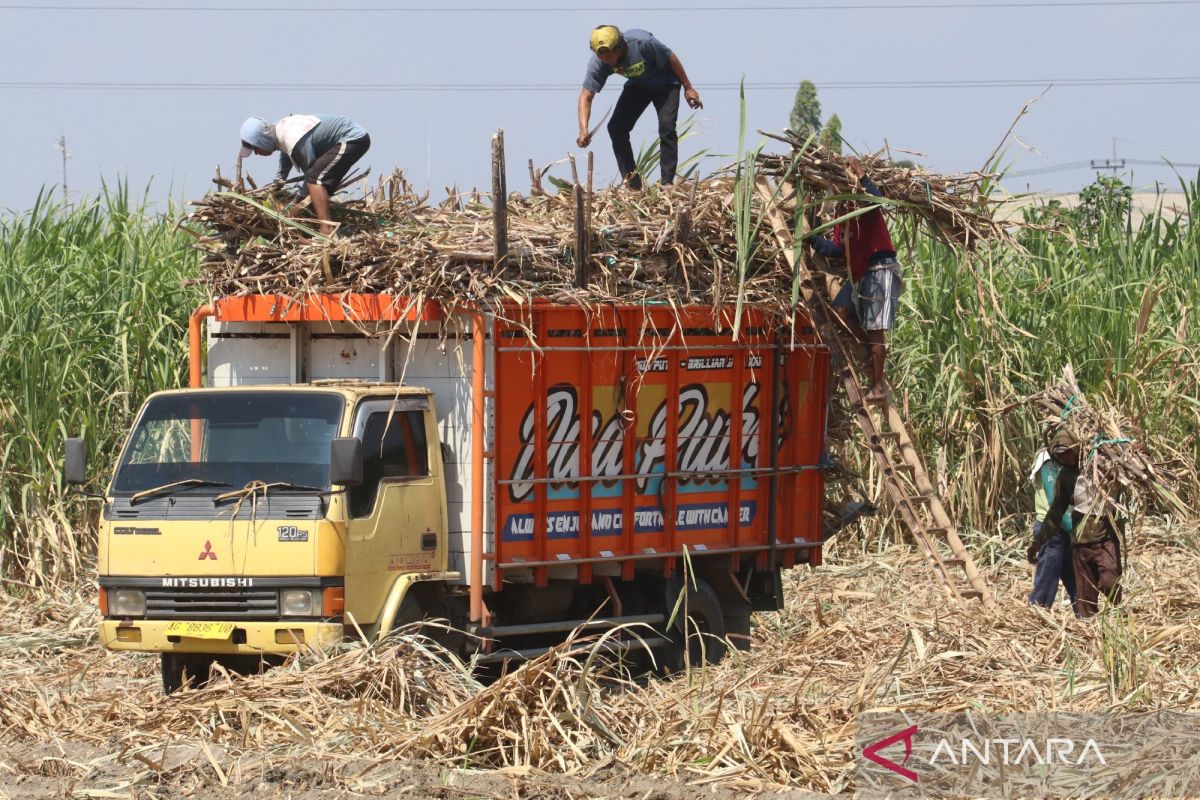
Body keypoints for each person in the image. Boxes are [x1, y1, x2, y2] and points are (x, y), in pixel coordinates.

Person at [807, 157, 903, 403]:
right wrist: (809, 236)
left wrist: (862, 175)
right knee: (839, 310)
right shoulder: (842, 217)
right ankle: (869, 352)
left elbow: (877, 201)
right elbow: (837, 249)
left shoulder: (864, 202)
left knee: (876, 330)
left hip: (880, 268)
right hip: (860, 273)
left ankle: (878, 387)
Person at [576, 25, 702, 189]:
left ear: (620, 46)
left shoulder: (643, 42)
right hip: (638, 85)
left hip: (666, 82)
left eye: (610, 56)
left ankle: (667, 183)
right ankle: (632, 184)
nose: (606, 60)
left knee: (667, 127)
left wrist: (688, 88)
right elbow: (586, 96)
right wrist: (583, 130)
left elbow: (670, 57)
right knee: (616, 128)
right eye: (601, 56)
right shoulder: (599, 62)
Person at [1027, 429, 1124, 619]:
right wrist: (1038, 543)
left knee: (1109, 581)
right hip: (1080, 544)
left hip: (1105, 540)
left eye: (1068, 453)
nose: (1065, 458)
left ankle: (1120, 616)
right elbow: (1056, 512)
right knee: (1085, 598)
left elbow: (1128, 465)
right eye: (1060, 456)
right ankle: (1091, 629)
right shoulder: (1065, 477)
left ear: (1077, 449)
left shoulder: (1102, 466)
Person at [238, 114, 371, 235]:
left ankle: (326, 230)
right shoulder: (277, 131)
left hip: (352, 138)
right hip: (346, 140)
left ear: (262, 140)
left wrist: (296, 202)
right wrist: (278, 181)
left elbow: (310, 175)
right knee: (315, 187)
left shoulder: (292, 138)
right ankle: (318, 227)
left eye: (255, 148)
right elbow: (286, 153)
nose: (256, 153)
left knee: (315, 181)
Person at [1027, 439, 1077, 608]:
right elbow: (1054, 501)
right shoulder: (1047, 462)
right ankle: (1037, 611)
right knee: (1047, 580)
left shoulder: (1060, 460)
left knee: (1076, 578)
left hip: (1065, 526)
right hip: (1051, 529)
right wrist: (1074, 531)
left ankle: (1084, 612)